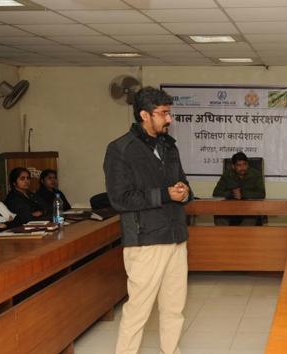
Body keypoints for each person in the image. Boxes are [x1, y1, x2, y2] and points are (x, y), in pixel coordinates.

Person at [103, 86, 192, 354]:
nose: (169, 119)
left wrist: (185, 192)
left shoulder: (169, 146)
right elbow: (120, 199)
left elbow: (184, 184)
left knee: (174, 308)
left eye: (169, 112)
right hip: (145, 240)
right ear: (144, 114)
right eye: (163, 113)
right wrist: (165, 194)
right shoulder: (120, 149)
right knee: (138, 311)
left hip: (176, 237)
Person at [212, 151, 266, 226]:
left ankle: (241, 237)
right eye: (239, 165)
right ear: (233, 166)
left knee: (251, 217)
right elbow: (216, 193)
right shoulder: (227, 175)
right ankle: (224, 237)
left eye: (245, 164)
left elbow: (261, 194)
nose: (242, 168)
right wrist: (232, 194)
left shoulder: (255, 174)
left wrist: (243, 194)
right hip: (230, 210)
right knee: (218, 216)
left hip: (248, 210)